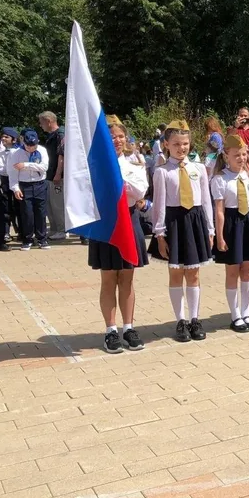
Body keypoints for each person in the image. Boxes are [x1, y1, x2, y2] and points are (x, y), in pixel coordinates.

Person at [150, 120, 215, 343]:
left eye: (185, 143)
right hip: (174, 222)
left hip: (195, 221)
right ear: (167, 144)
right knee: (176, 272)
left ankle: (195, 318)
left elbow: (206, 200)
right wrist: (160, 234)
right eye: (176, 143)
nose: (182, 148)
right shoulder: (162, 172)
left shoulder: (198, 169)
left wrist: (210, 229)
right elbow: (159, 205)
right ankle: (181, 320)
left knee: (194, 273)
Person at [89, 117, 149, 353]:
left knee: (127, 277)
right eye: (111, 136)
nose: (116, 140)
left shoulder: (135, 164)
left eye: (120, 136)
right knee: (108, 278)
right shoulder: (95, 165)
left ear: (126, 139)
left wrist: (116, 176)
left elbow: (138, 191)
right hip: (106, 222)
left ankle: (128, 327)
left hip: (129, 218)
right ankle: (110, 330)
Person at [212, 135, 249, 333]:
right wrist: (220, 236)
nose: (242, 158)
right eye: (236, 155)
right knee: (233, 270)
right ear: (226, 155)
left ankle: (246, 312)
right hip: (232, 224)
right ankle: (235, 315)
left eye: (244, 154)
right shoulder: (220, 179)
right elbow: (219, 210)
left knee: (248, 269)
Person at [9, 129, 50, 250]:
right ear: (23, 142)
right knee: (27, 214)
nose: (31, 148)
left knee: (41, 212)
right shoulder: (15, 153)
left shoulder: (42, 150)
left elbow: (44, 167)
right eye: (28, 145)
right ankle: (27, 239)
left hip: (40, 184)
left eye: (34, 145)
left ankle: (42, 239)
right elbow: (13, 173)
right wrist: (15, 188)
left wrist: (25, 165)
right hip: (24, 185)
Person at [38, 111, 66, 240]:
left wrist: (58, 173)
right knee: (50, 204)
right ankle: (54, 228)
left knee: (57, 204)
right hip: (49, 174)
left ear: (49, 121)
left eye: (42, 122)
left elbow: (62, 156)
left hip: (57, 175)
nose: (40, 125)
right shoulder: (51, 135)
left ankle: (62, 229)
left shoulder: (60, 134)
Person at [0, 128, 19, 242]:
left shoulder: (19, 151)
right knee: (5, 206)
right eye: (2, 136)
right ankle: (5, 232)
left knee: (18, 206)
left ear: (14, 140)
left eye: (6, 137)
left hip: (16, 179)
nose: (3, 138)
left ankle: (21, 231)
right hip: (4, 180)